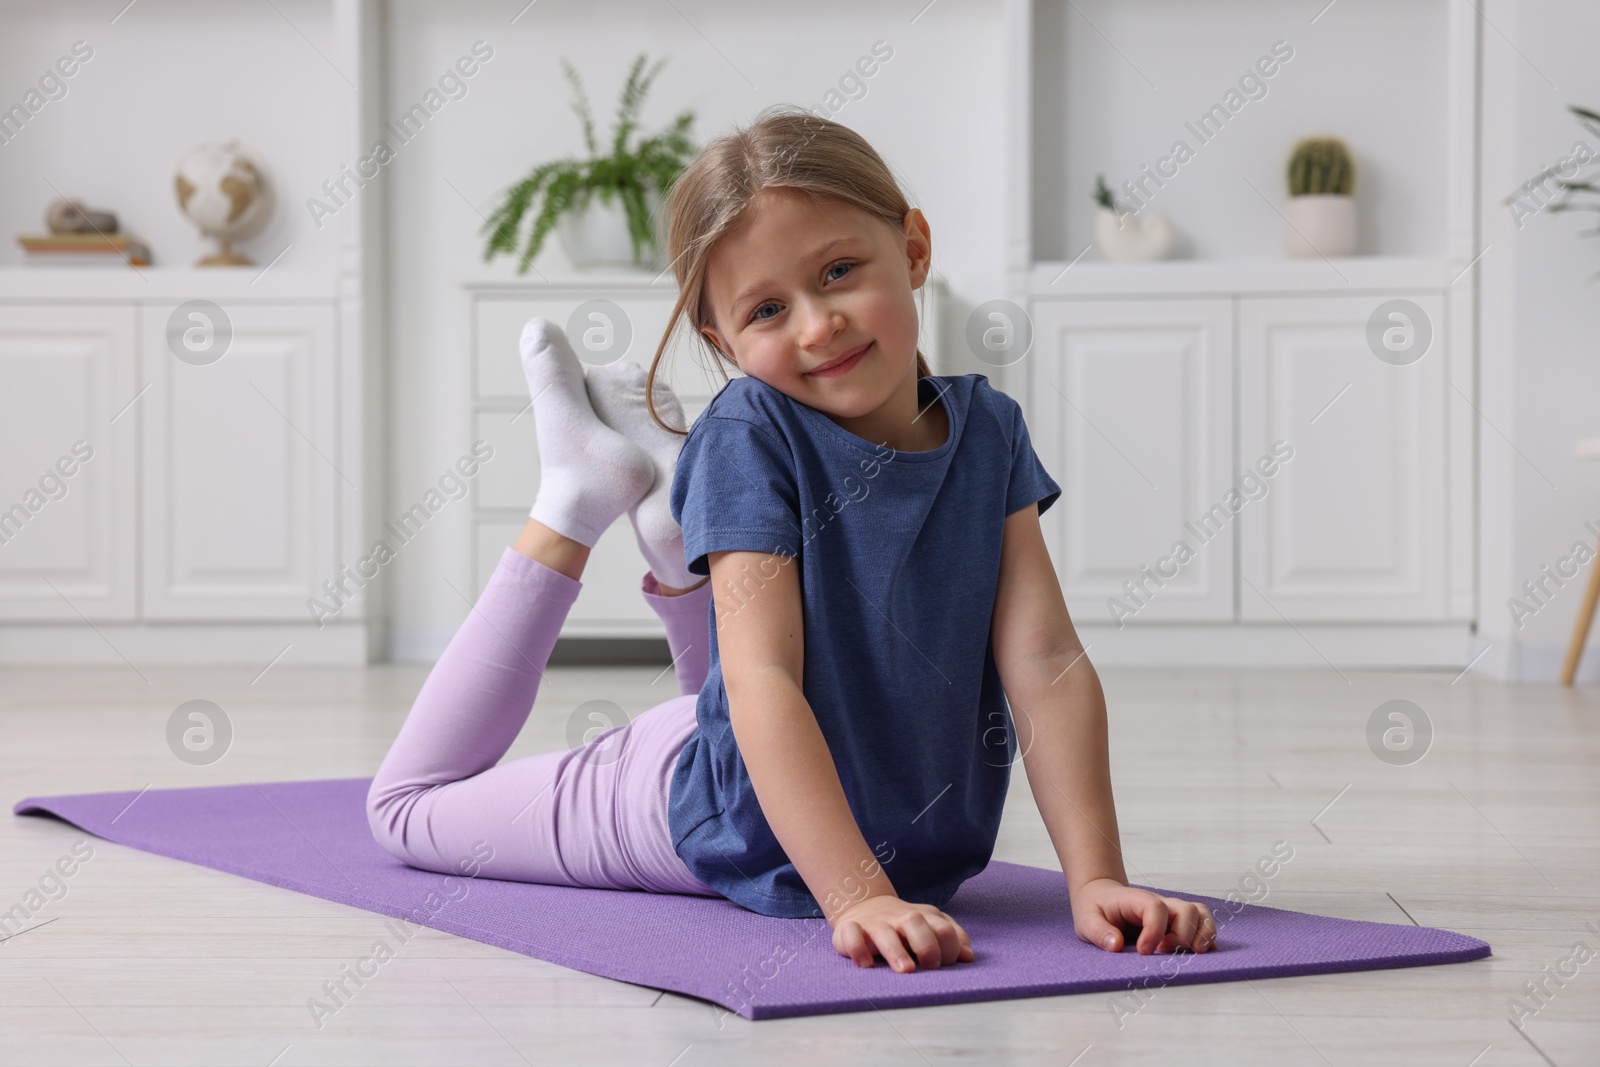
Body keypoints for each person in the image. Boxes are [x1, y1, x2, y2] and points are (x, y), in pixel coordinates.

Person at [367, 104, 1217, 975]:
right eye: (768, 308)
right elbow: (763, 678)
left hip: (823, 776)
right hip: (701, 804)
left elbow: (1045, 659)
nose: (817, 325)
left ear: (914, 248)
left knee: (748, 665)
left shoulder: (990, 430)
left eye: (840, 270)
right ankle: (573, 497)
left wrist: (1096, 878)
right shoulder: (750, 431)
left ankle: (675, 533)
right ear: (723, 341)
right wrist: (858, 895)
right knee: (402, 809)